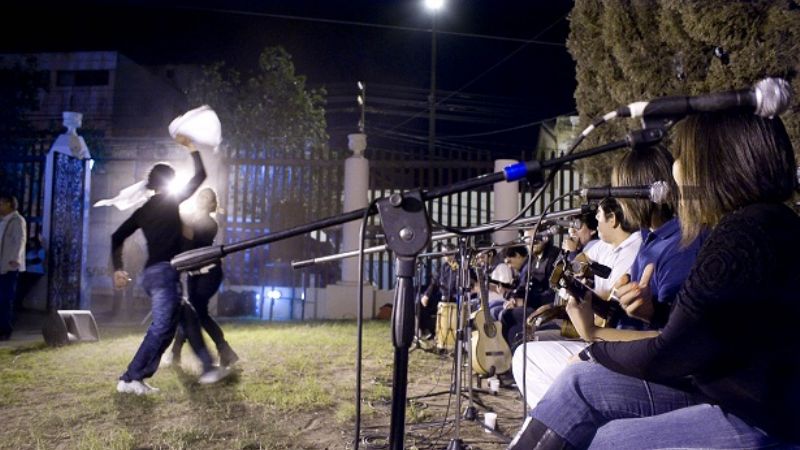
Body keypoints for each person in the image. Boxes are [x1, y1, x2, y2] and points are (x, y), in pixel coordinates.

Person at [510, 112, 800, 449]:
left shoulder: (742, 234)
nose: (675, 170)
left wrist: (594, 350)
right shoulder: (763, 224)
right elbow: (714, 328)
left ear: (714, 164)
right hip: (725, 393)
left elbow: (673, 350)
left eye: (682, 157)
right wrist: (654, 312)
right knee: (578, 384)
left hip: (761, 419)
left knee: (608, 440)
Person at [511, 145, 703, 409]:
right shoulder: (651, 238)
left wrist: (592, 334)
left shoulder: (680, 245)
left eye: (620, 192)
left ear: (644, 192)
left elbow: (670, 341)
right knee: (527, 355)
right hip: (625, 348)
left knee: (543, 363)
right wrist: (586, 303)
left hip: (650, 367)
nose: (620, 203)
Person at [112, 135, 229, 395]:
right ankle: (130, 378)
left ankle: (209, 369)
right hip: (164, 274)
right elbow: (200, 175)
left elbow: (116, 236)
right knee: (162, 327)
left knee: (187, 317)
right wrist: (191, 148)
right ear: (169, 182)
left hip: (152, 274)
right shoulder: (170, 203)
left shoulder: (144, 211)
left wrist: (118, 268)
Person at [168, 187, 239, 367]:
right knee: (193, 313)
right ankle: (225, 352)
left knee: (196, 312)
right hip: (194, 275)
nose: (201, 199)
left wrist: (181, 224)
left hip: (210, 273)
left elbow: (191, 243)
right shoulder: (190, 218)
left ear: (212, 204)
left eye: (206, 197)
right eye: (200, 195)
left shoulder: (210, 224)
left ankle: (177, 352)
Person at [0, 194, 26, 341]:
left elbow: (20, 240)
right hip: (1, 264)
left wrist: (16, 258)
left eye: (1, 204)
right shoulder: (3, 221)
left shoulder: (17, 220)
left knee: (5, 298)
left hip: (9, 266)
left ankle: (5, 329)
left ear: (9, 204)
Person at [16, 235, 46, 311]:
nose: (31, 244)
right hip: (28, 271)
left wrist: (28, 262)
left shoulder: (40, 250)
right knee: (22, 288)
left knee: (25, 288)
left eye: (32, 242)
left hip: (35, 272)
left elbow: (39, 260)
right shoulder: (29, 250)